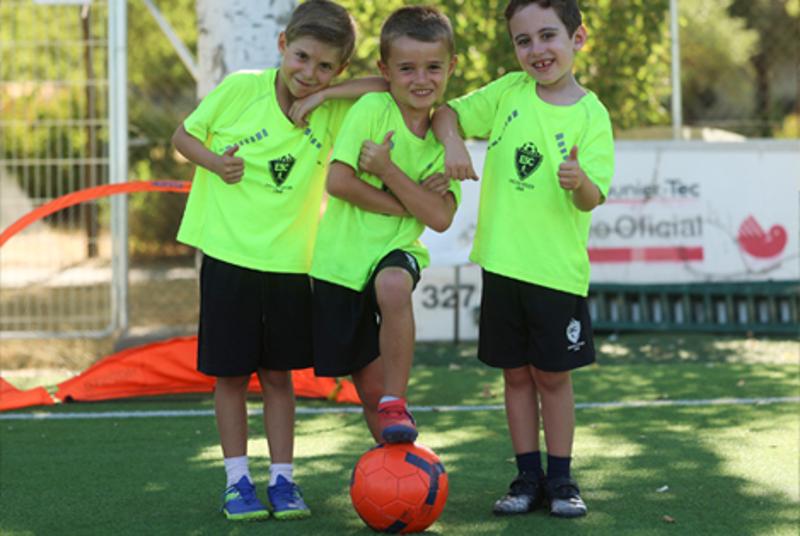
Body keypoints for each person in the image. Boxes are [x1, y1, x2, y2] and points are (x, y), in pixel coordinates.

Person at [172, 0, 386, 522]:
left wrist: (326, 96)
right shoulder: (241, 88)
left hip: (291, 265)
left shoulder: (331, 108)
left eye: (326, 67)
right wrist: (215, 163)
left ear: (340, 69)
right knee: (230, 376)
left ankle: (283, 480)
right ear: (282, 44)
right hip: (228, 258)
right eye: (302, 57)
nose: (309, 73)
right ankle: (236, 482)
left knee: (278, 376)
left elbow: (385, 88)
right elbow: (182, 137)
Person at [432, 0, 614, 519]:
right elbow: (446, 112)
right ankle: (527, 477)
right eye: (523, 40)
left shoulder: (592, 114)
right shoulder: (508, 92)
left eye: (548, 35)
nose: (537, 50)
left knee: (552, 378)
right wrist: (452, 143)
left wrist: (579, 182)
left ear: (577, 38)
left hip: (555, 274)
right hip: (501, 266)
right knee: (515, 377)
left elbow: (592, 198)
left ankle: (562, 479)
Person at [309, 6, 461, 445]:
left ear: (451, 67)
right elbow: (339, 182)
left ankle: (399, 399)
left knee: (394, 285)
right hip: (340, 263)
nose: (421, 79)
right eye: (407, 68)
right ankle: (394, 461)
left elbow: (441, 217)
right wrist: (409, 202)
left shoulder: (445, 139)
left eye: (433, 68)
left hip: (396, 250)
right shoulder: (373, 108)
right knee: (370, 393)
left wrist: (387, 171)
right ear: (385, 70)